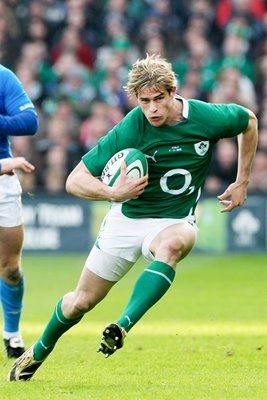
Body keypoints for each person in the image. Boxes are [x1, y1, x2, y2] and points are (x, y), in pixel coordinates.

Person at [8, 54, 257, 381]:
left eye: (158, 99)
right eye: (144, 101)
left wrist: (242, 180)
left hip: (173, 220)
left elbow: (249, 121)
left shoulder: (206, 117)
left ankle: (122, 325)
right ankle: (39, 349)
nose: (152, 108)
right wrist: (113, 193)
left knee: (172, 246)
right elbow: (74, 179)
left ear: (173, 92)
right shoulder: (131, 127)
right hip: (126, 219)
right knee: (81, 302)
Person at [0, 64, 39, 359]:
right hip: (4, 168)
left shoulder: (3, 76)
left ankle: (12, 334)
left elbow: (28, 121)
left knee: (11, 268)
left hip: (3, 184)